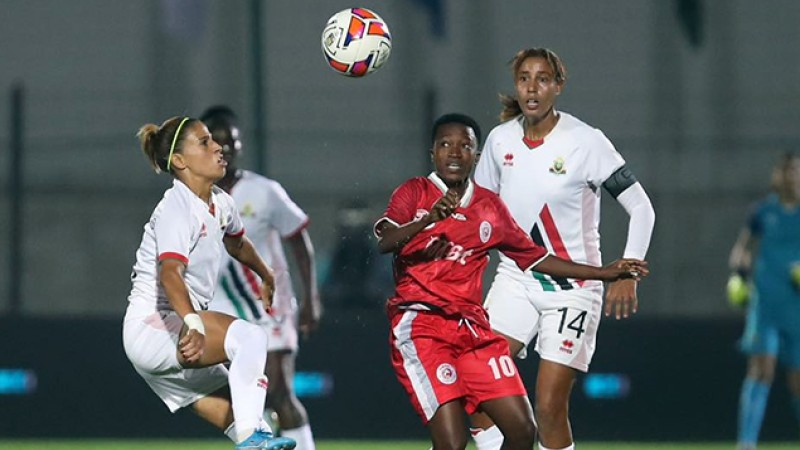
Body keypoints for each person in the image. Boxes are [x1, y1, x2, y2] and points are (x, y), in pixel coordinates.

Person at [375, 113, 648, 450]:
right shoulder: (414, 192)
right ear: (433, 153)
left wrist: (603, 273)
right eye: (445, 145)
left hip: (471, 330)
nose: (454, 153)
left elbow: (537, 258)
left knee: (522, 429)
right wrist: (429, 220)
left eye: (464, 146)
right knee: (452, 443)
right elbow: (385, 242)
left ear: (477, 156)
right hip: (422, 326)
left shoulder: (489, 208)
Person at [471, 47, 656, 450]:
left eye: (542, 78)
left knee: (550, 407)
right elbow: (480, 217)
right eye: (524, 78)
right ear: (516, 86)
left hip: (572, 287)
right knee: (479, 397)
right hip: (514, 281)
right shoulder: (500, 141)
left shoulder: (585, 141)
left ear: (558, 85)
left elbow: (641, 207)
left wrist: (627, 273)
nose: (532, 87)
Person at [122, 116, 296, 450]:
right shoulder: (177, 207)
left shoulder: (221, 202)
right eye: (204, 142)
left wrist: (266, 273)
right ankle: (251, 440)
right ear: (179, 161)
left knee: (249, 417)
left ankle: (252, 436)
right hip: (154, 326)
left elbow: (238, 243)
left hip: (170, 331)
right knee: (251, 338)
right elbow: (170, 273)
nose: (217, 147)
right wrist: (193, 324)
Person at [200, 106, 322, 450]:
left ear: (239, 146)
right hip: (223, 308)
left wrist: (311, 298)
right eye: (214, 140)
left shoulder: (264, 191)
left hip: (270, 305)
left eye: (231, 140)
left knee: (280, 391)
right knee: (241, 399)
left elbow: (299, 242)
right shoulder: (192, 197)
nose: (223, 147)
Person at [728, 153, 800, 450]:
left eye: (797, 171)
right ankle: (746, 445)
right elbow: (742, 248)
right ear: (778, 176)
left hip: (796, 306)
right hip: (766, 303)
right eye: (788, 171)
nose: (792, 177)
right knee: (761, 369)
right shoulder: (762, 211)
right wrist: (738, 275)